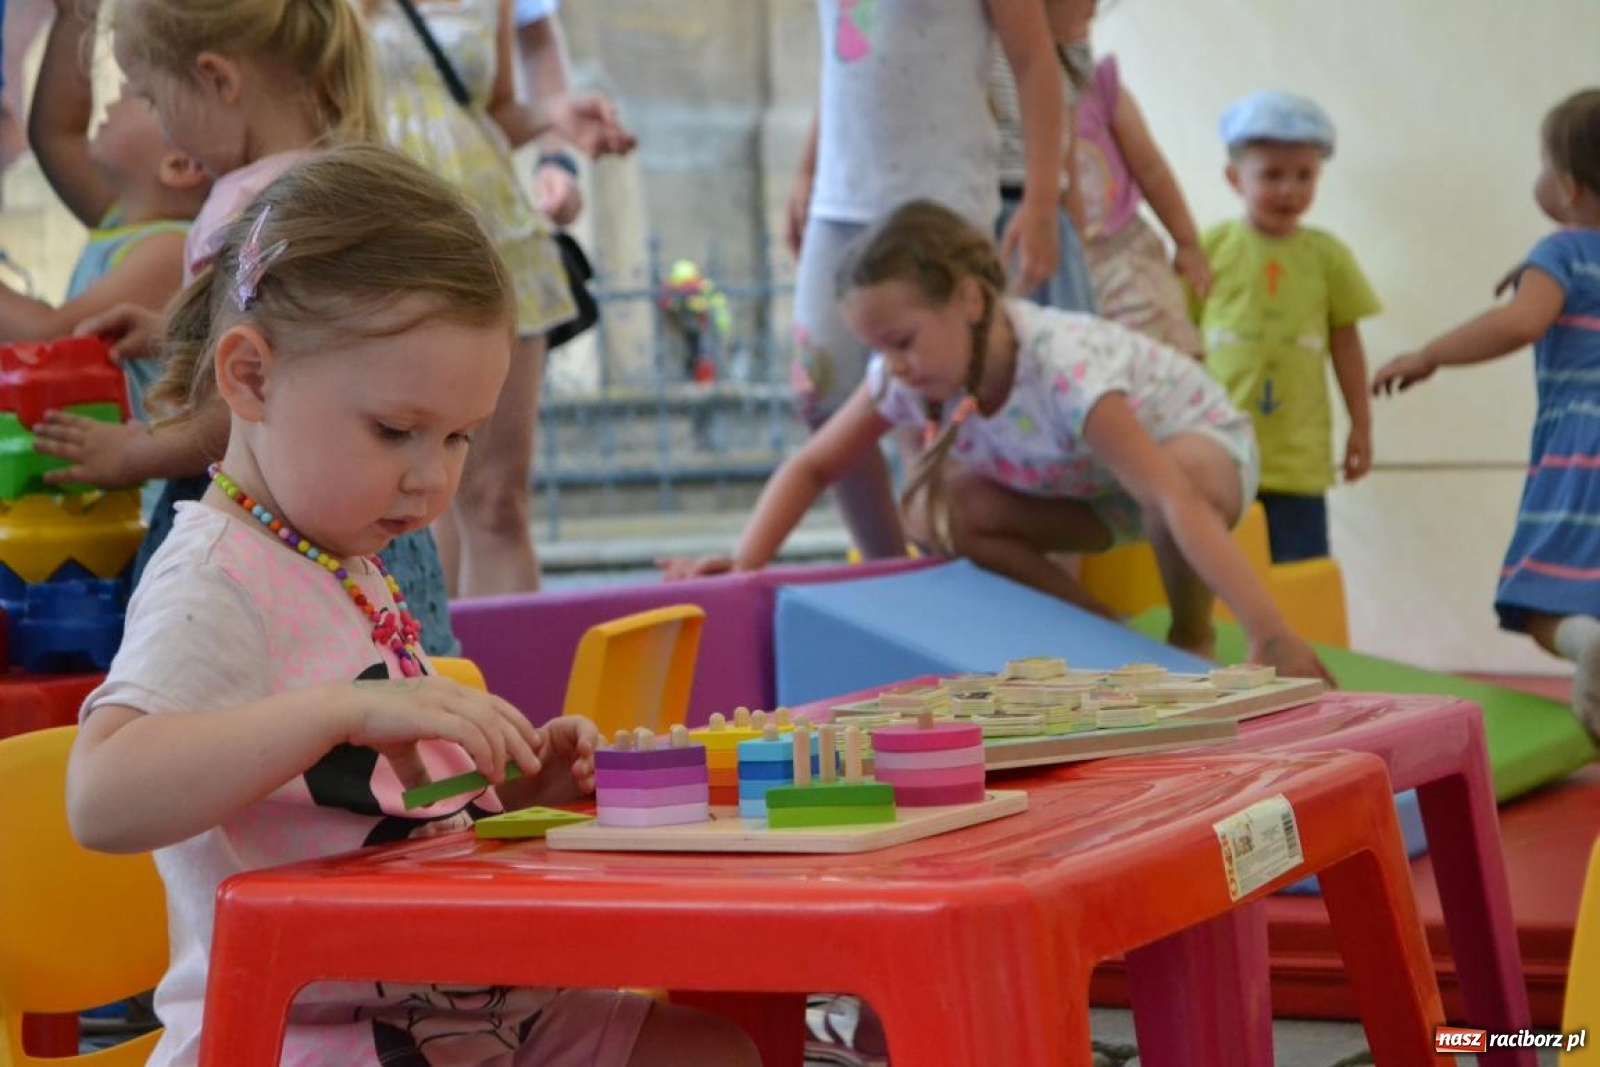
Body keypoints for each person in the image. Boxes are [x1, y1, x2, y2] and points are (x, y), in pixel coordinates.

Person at [64, 144, 759, 1067]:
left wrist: (517, 789)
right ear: (252, 377)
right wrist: (343, 707)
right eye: (395, 431)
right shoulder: (216, 575)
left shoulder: (344, 555)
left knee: (718, 1052)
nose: (431, 479)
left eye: (460, 436)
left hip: (465, 1006)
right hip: (314, 1031)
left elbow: (382, 812)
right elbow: (100, 797)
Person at [668, 199, 1329, 681]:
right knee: (944, 508)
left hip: (1196, 459)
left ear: (970, 300)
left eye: (901, 341)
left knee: (1175, 477)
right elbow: (815, 465)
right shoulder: (907, 375)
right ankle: (1105, 631)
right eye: (878, 348)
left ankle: (1191, 632)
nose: (893, 365)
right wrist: (743, 561)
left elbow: (1169, 492)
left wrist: (1270, 631)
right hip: (1099, 490)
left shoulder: (1064, 365)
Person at [29, 0, 461, 659]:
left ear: (217, 79)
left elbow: (250, 407)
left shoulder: (246, 211)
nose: (167, 128)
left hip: (276, 535)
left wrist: (129, 452)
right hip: (379, 539)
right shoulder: (341, 181)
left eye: (153, 96)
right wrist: (176, 333)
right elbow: (308, 355)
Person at [363, 0, 633, 598]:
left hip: (498, 241)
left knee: (496, 501)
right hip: (385, 248)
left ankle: (508, 685)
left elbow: (496, 116)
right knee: (412, 507)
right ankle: (432, 675)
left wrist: (556, 122)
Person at [787, 0, 1064, 563]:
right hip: (842, 198)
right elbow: (844, 52)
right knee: (817, 389)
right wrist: (809, 168)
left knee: (938, 403)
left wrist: (1040, 200)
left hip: (942, 194)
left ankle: (951, 562)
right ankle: (888, 564)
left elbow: (1036, 62)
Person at [1372, 89, 1600, 739]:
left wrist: (1430, 354)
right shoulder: (1559, 257)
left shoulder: (1561, 253)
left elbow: (1522, 321)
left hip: (1581, 445)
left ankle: (1586, 644)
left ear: (1569, 187)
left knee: (1539, 598)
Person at [1193, 90, 1379, 563]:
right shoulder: (1208, 249)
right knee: (1217, 573)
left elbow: (1346, 345)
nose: (1289, 191)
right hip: (1220, 454)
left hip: (1297, 463)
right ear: (1235, 178)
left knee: (1299, 577)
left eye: (1304, 176)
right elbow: (1178, 342)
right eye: (1272, 175)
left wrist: (1362, 425)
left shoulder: (1327, 257)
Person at [1, 0, 206, 347]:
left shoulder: (170, 250)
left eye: (144, 95)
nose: (117, 95)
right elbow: (58, 133)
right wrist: (78, 15)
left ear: (180, 165)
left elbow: (51, 335)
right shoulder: (124, 219)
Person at [1067, 0, 1209, 356]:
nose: (1091, 11)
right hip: (1062, 260)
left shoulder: (1097, 86)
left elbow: (1151, 168)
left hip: (1123, 250)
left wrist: (1187, 241)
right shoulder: (1005, 99)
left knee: (1169, 354)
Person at [986, 0, 1097, 315]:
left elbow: (1067, 162)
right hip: (1006, 205)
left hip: (1045, 212)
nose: (1092, 11)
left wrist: (1073, 235)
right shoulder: (993, 50)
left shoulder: (1069, 58)